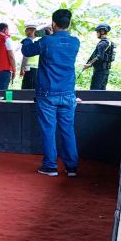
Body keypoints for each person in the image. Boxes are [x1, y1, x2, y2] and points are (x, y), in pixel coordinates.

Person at [22, 9, 80, 177]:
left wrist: (30, 37)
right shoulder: (75, 42)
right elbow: (60, 44)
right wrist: (50, 35)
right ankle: (71, 168)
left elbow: (27, 51)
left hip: (48, 93)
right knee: (68, 130)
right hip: (68, 93)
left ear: (53, 23)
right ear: (68, 24)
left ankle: (50, 166)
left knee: (49, 129)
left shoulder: (46, 41)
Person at [84, 23, 115, 90]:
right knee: (102, 92)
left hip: (99, 71)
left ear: (102, 31)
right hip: (105, 71)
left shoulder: (102, 43)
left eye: (97, 32)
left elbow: (99, 57)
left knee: (94, 91)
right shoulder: (109, 42)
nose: (96, 34)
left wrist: (89, 64)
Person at [20, 23, 41, 90]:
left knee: (28, 88)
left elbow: (25, 56)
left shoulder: (29, 41)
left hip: (31, 69)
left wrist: (22, 68)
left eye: (26, 30)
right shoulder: (38, 41)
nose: (25, 32)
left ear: (31, 31)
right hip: (35, 68)